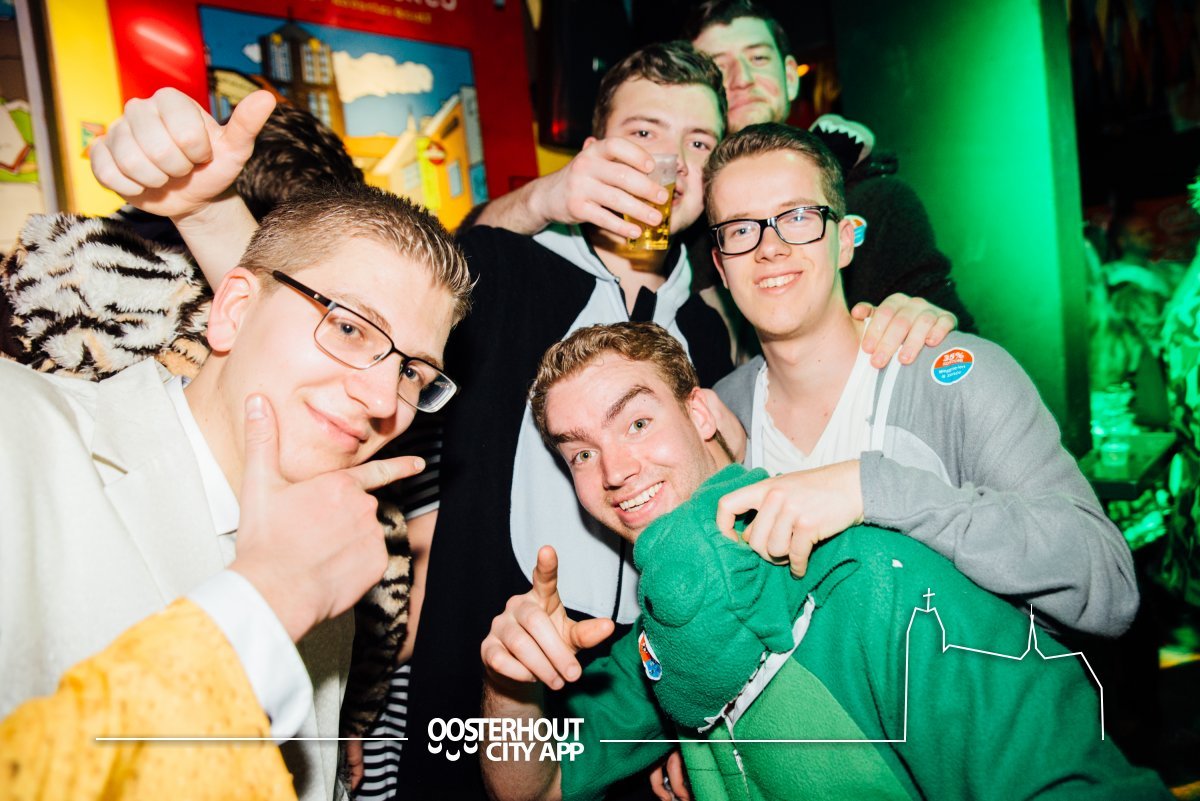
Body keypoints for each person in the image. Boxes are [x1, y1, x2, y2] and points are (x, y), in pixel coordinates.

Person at [87, 48, 949, 800]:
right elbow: (328, 310)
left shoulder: (717, 324)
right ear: (594, 147)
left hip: (645, 699)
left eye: (698, 143)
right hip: (482, 680)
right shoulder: (504, 267)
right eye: (643, 132)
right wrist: (206, 208)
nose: (669, 163)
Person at [479, 321, 1171, 801]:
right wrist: (510, 686)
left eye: (637, 422)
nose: (614, 471)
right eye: (581, 453)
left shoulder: (878, 580)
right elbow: (534, 787)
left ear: (702, 414)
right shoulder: (663, 639)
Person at [0, 182, 472, 801]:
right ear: (234, 310)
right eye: (350, 328)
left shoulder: (334, 564)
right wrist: (269, 598)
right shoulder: (17, 428)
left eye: (411, 371)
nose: (384, 400)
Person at [703, 123, 1136, 640]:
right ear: (721, 266)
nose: (770, 247)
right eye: (740, 229)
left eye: (798, 217)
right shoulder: (721, 416)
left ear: (846, 241)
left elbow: (1109, 584)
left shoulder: (957, 381)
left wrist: (870, 489)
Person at [683, 0, 974, 330]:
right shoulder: (681, 238)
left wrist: (927, 323)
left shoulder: (880, 203)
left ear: (790, 76)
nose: (743, 79)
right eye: (718, 67)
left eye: (758, 58)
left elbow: (954, 337)